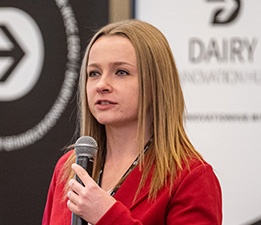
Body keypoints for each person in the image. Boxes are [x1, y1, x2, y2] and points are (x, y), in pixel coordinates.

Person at [42, 20, 222, 224]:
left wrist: (108, 216)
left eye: (121, 72)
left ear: (157, 84)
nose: (101, 85)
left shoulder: (191, 178)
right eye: (94, 73)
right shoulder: (67, 168)